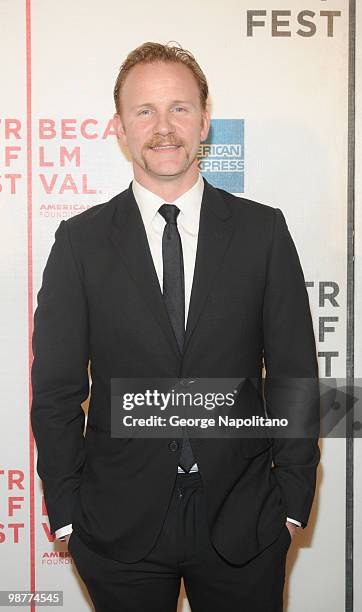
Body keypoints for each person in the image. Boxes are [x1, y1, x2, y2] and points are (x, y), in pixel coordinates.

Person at [31, 42, 320, 612]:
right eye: (145, 111)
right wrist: (66, 513)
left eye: (180, 109)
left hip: (245, 520)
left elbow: (294, 373)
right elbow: (58, 390)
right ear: (119, 126)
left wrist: (289, 503)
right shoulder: (80, 243)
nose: (164, 128)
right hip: (117, 528)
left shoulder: (263, 233)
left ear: (206, 120)